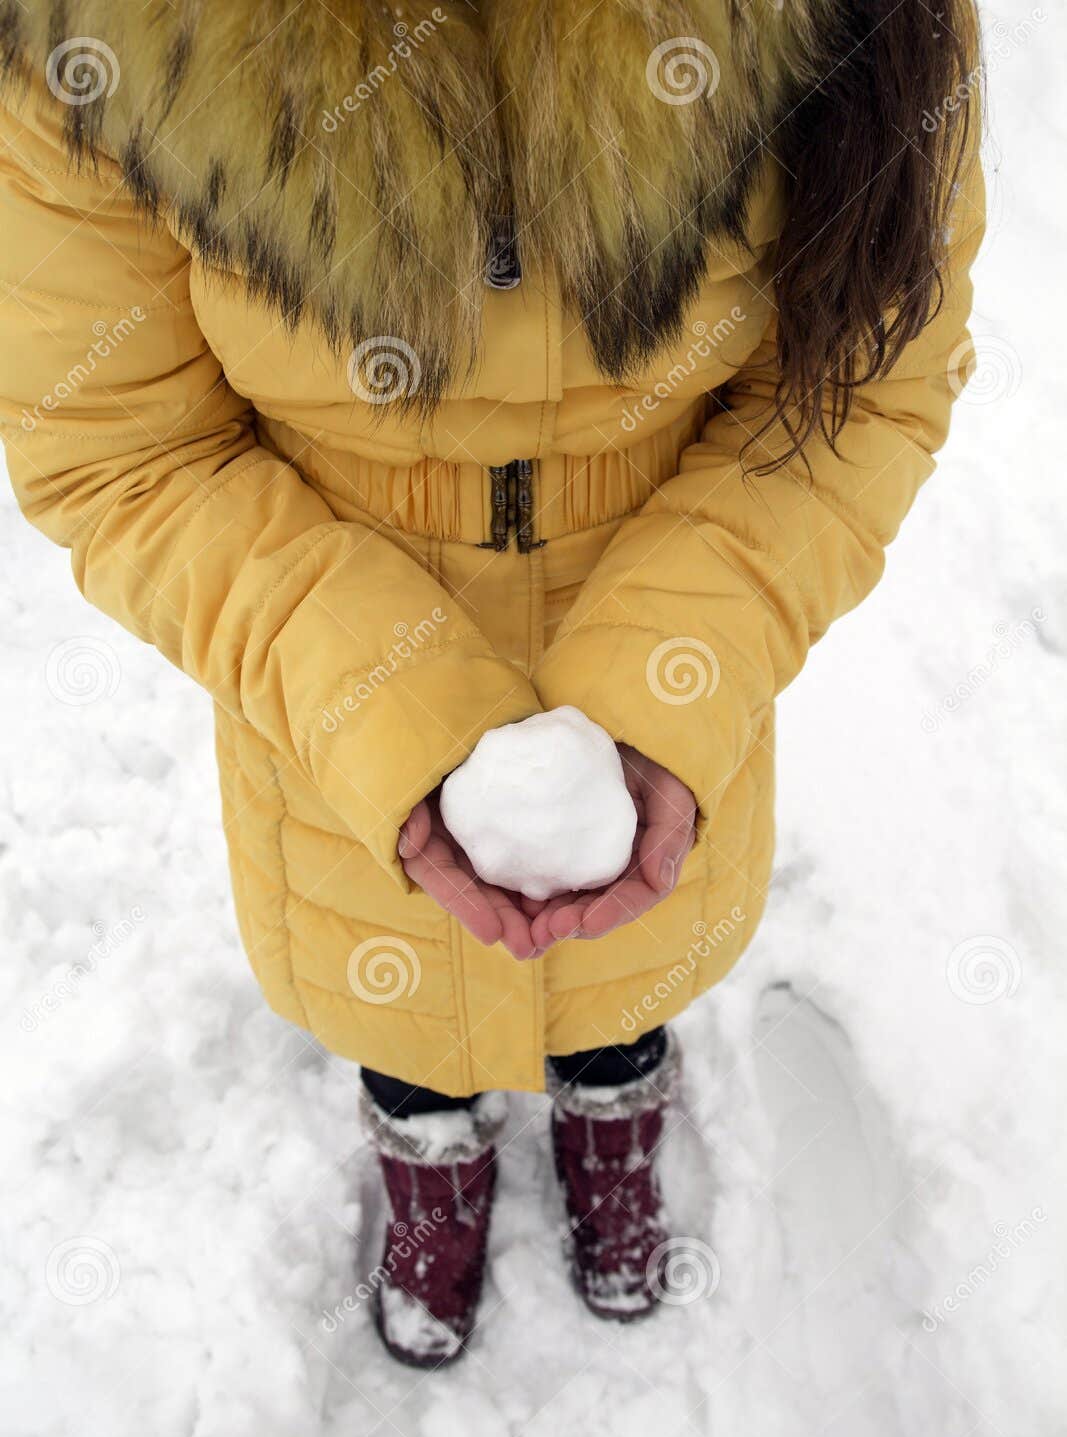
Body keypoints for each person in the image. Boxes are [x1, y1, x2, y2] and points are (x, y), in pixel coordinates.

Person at [0, 1, 983, 1367]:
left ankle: (613, 1086)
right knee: (395, 986)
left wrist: (660, 689)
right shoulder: (100, 35)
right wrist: (389, 714)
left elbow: (866, 379)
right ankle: (425, 1130)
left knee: (627, 963)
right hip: (330, 699)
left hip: (679, 677)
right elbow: (120, 443)